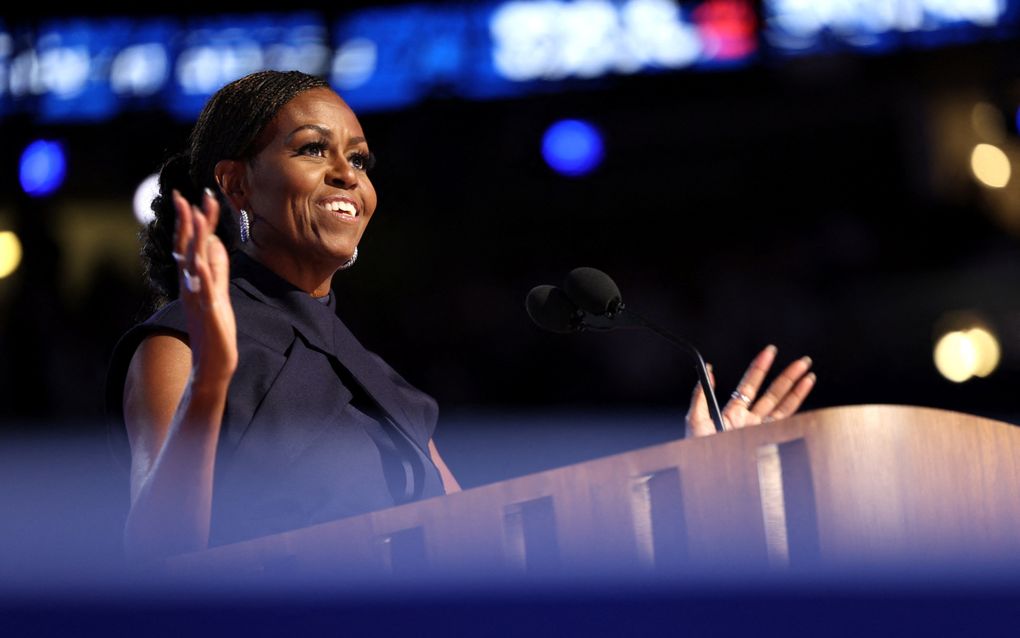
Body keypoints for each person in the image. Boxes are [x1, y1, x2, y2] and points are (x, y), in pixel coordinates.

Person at [105, 70, 815, 563]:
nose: (349, 174)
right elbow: (159, 556)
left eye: (359, 156)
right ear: (236, 184)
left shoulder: (377, 379)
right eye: (312, 149)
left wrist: (692, 473)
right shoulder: (180, 348)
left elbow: (487, 539)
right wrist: (214, 378)